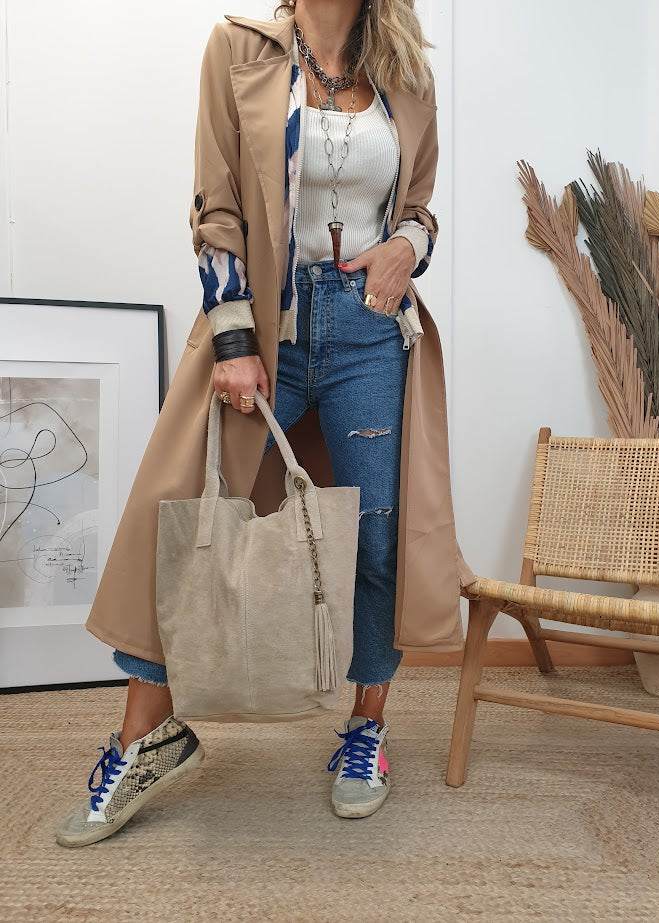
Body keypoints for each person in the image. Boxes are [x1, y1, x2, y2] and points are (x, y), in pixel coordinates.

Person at [57, 0, 453, 848]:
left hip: (370, 332)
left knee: (376, 539)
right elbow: (216, 204)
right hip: (267, 327)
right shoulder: (238, 50)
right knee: (194, 525)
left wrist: (405, 249)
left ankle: (367, 728)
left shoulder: (407, 73)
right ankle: (143, 740)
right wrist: (234, 338)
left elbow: (420, 208)